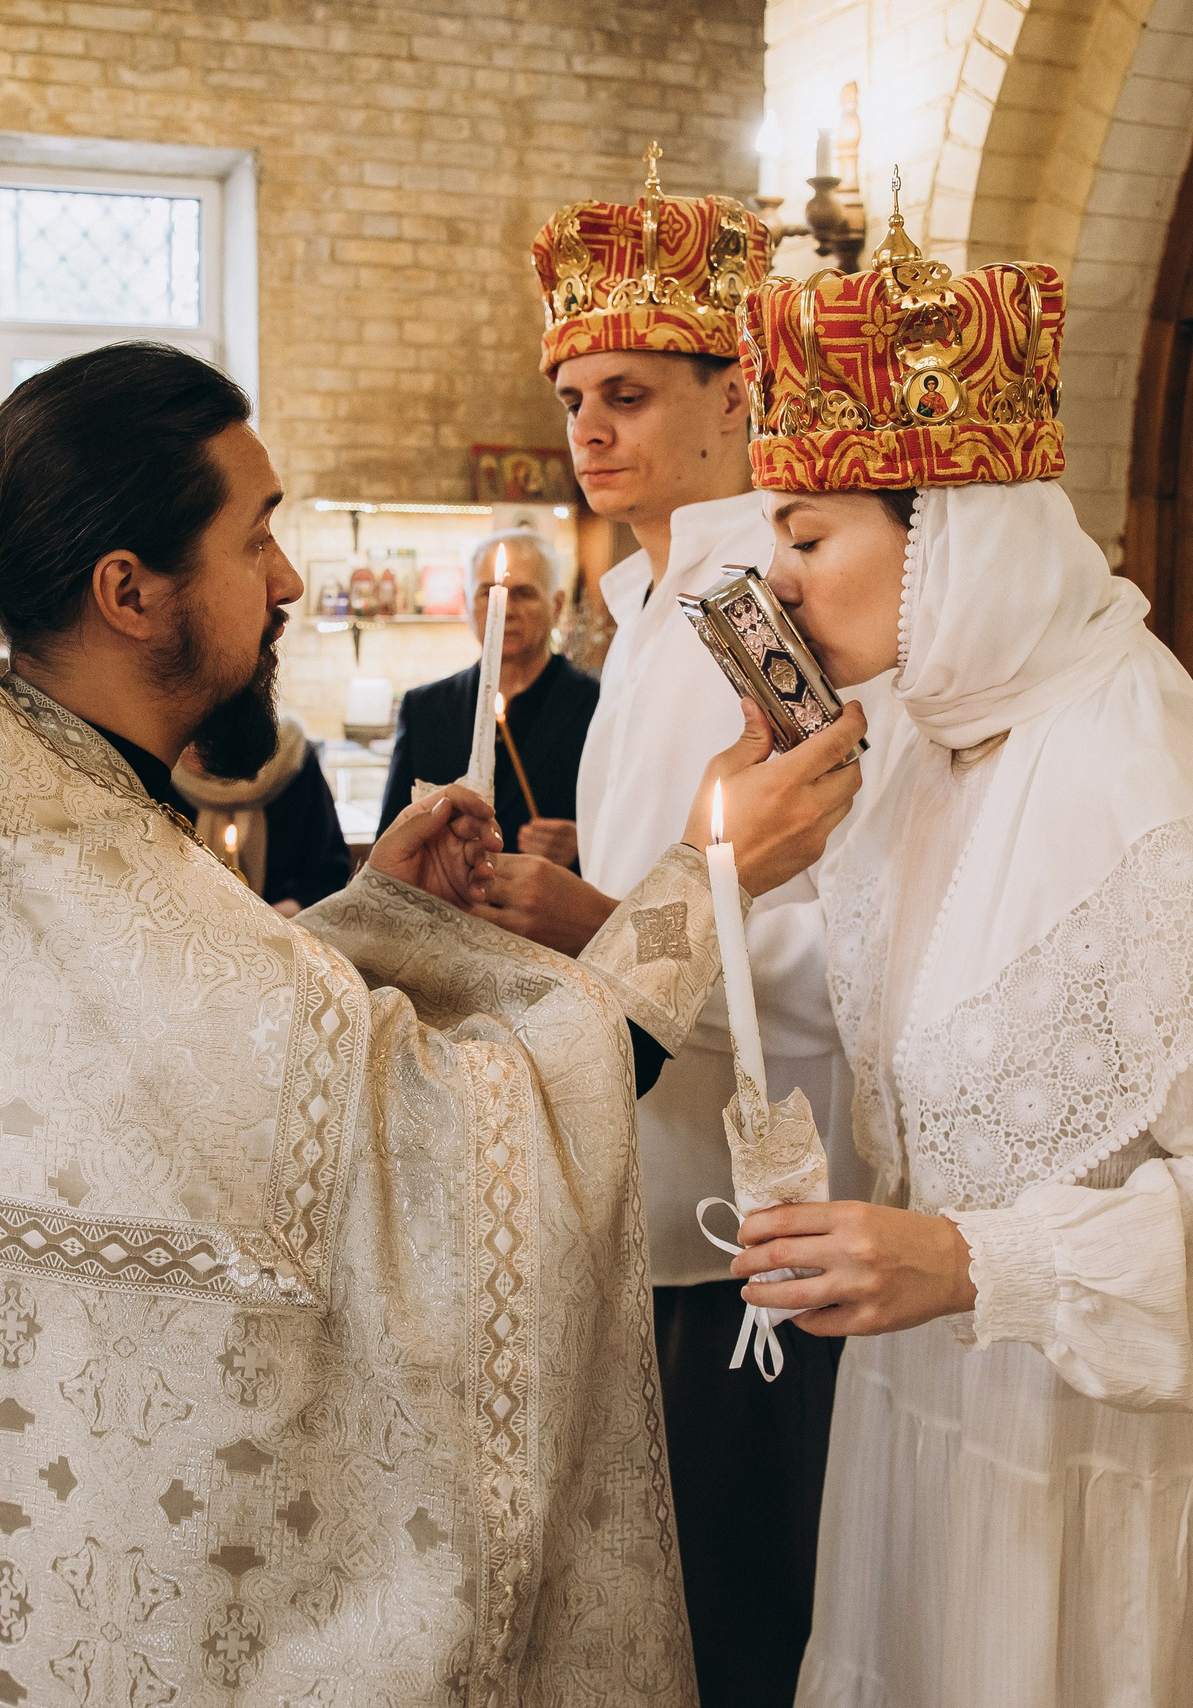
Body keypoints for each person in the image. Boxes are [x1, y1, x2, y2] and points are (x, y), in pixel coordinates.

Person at [0, 341, 865, 1706]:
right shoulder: (73, 853)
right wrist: (707, 880)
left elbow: (199, 1045)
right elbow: (448, 1159)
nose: (293, 581)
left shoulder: (14, 793)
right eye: (257, 537)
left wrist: (374, 915)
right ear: (129, 590)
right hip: (117, 1607)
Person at [726, 214, 1193, 1707]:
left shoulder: (1137, 764)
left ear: (946, 526)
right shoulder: (929, 742)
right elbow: (920, 1013)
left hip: (1109, 1469)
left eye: (809, 538)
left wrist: (970, 1258)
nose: (780, 586)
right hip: (935, 1419)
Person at [469, 156, 869, 1708]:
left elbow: (845, 934)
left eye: (627, 391)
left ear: (737, 389)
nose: (589, 431)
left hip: (744, 1208)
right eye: (574, 396)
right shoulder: (638, 607)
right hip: (643, 1183)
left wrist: (600, 917)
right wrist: (591, 868)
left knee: (742, 1613)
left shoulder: (769, 604)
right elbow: (690, 855)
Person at [375, 529, 598, 864]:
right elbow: (390, 838)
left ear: (557, 606)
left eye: (524, 594)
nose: (505, 610)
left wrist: (585, 846)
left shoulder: (597, 705)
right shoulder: (425, 709)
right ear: (466, 605)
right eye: (489, 593)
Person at [169, 711, 355, 914]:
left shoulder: (291, 757)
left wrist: (265, 920)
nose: (190, 748)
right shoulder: (166, 763)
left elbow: (329, 876)